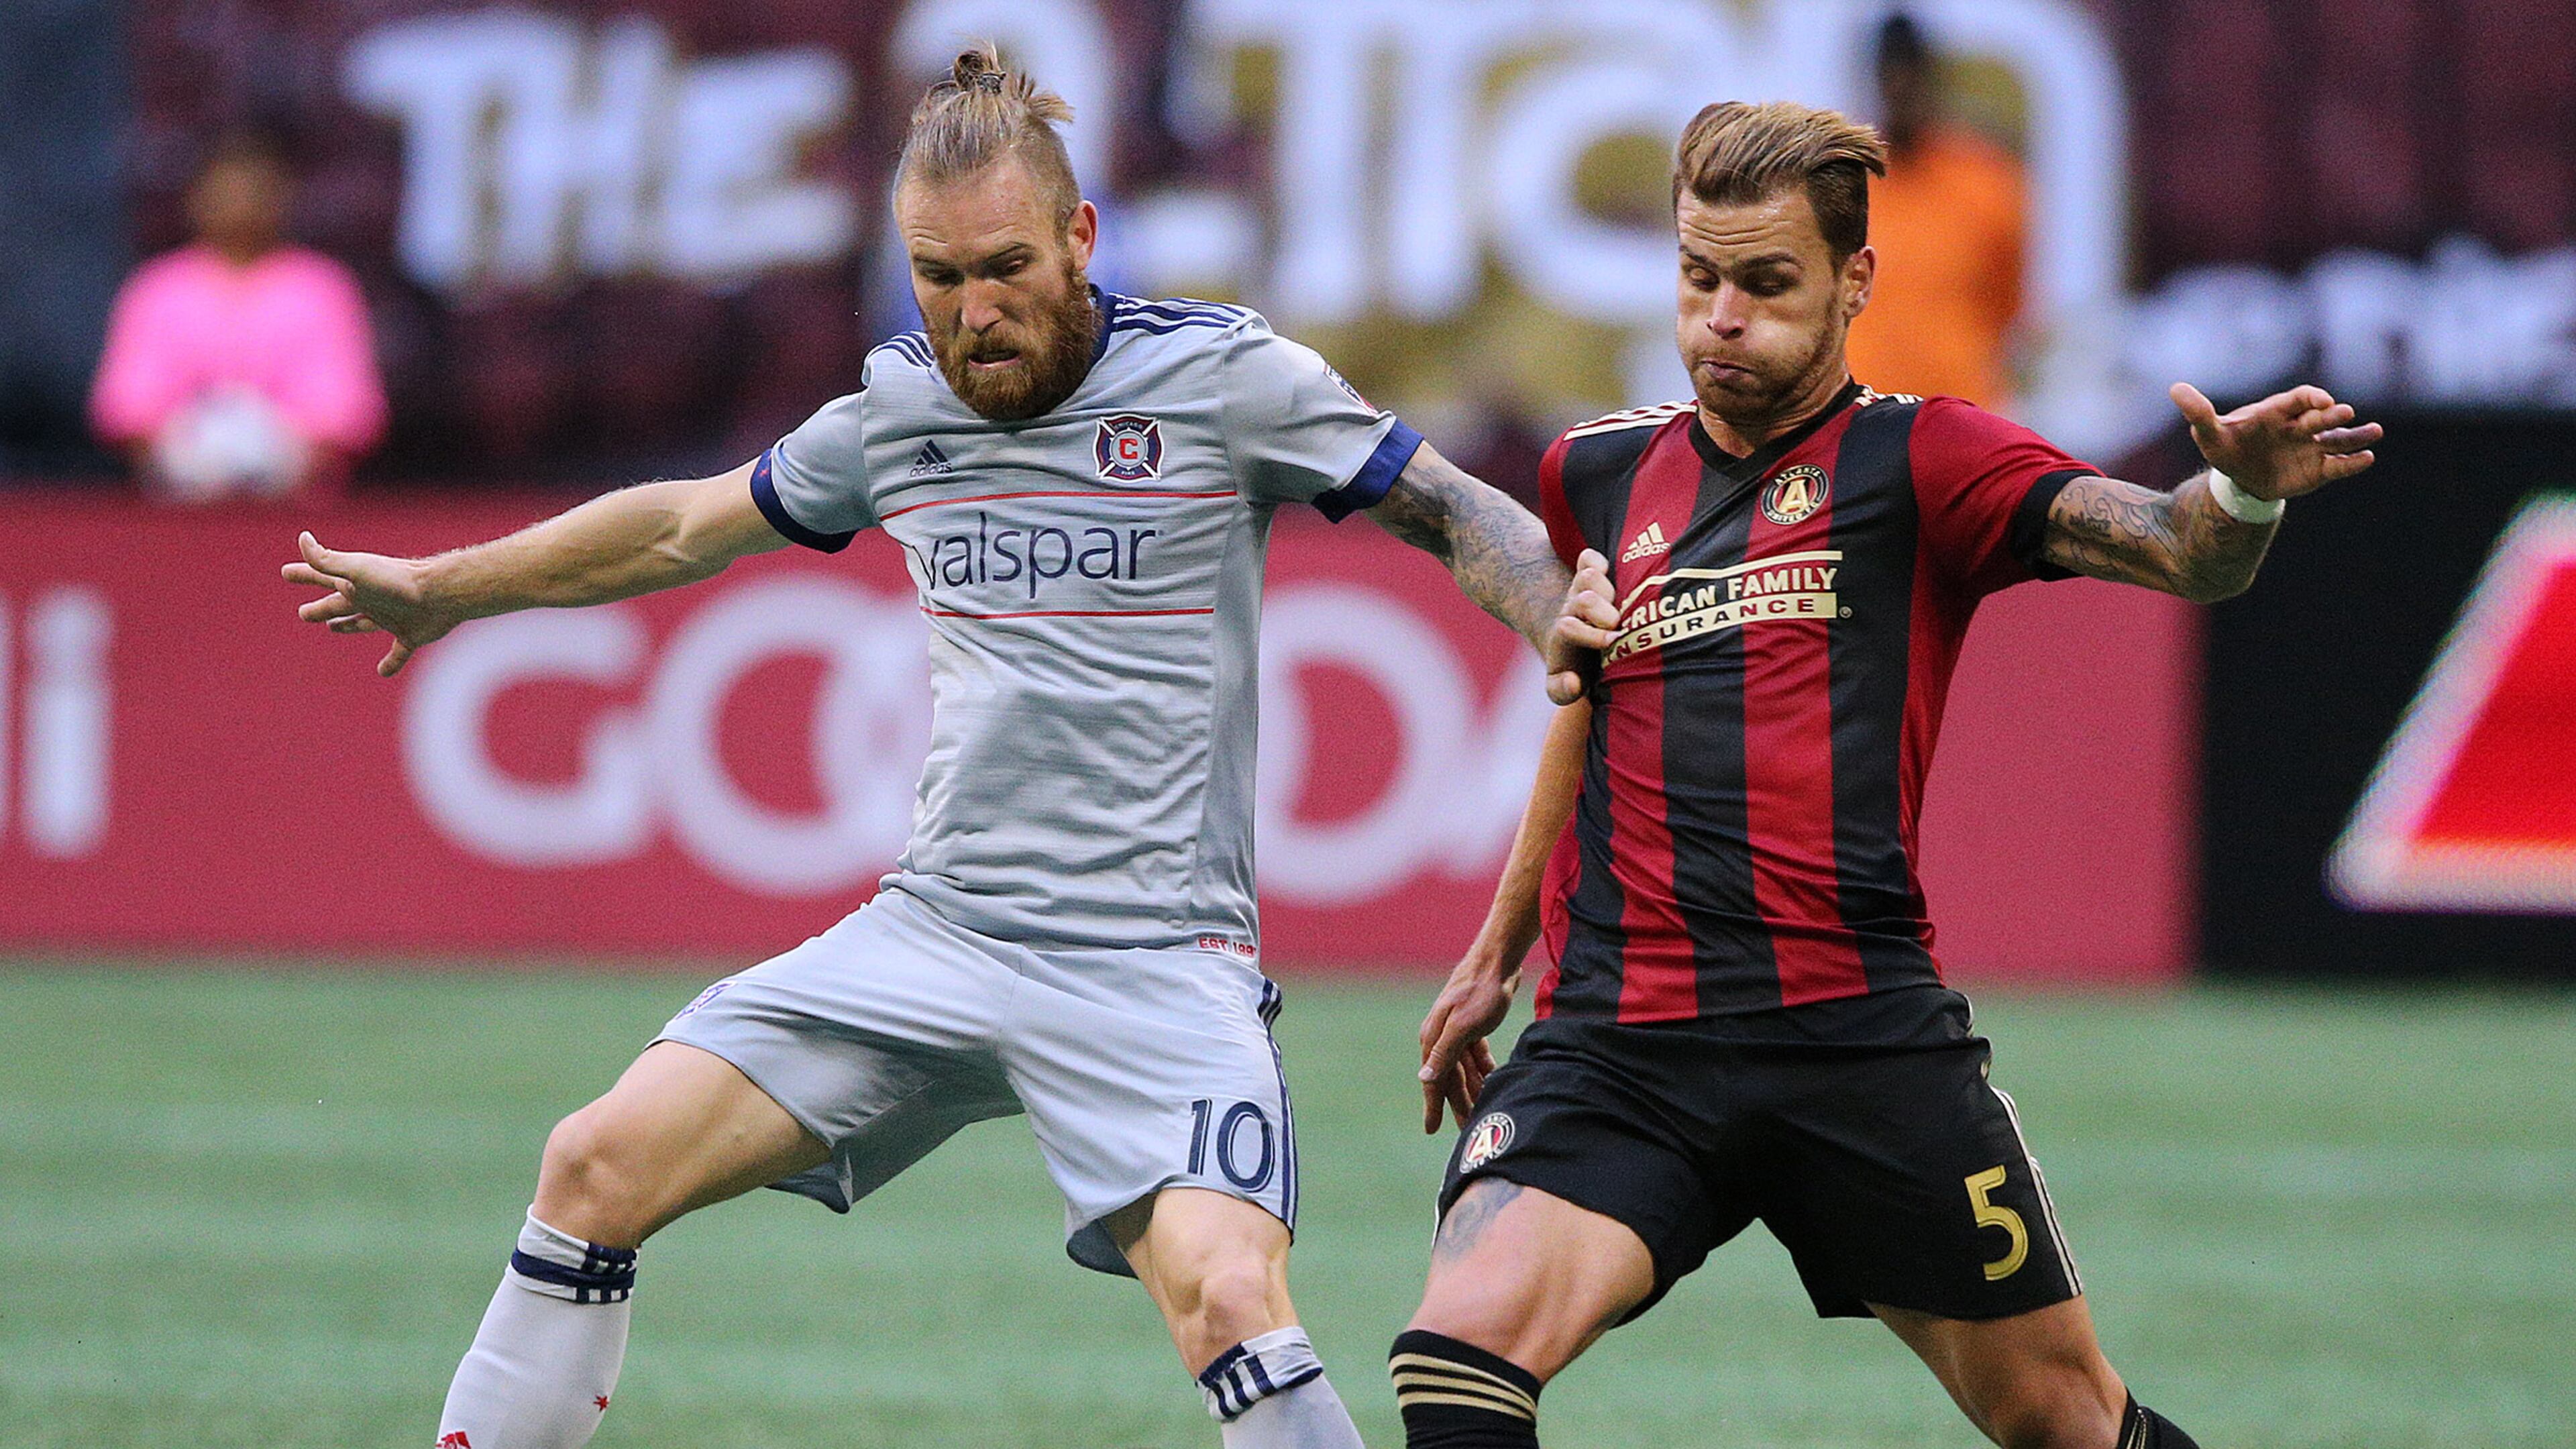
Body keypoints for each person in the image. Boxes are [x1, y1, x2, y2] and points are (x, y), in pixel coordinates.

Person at [284, 48, 1583, 1449]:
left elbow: (1458, 512)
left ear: (1083, 238)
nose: (977, 313)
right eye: (938, 276)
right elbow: (677, 527)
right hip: (940, 932)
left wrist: (1559, 608)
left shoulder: (1224, 381)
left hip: (1156, 966)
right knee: (593, 1163)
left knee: (1225, 1296)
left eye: (1007, 266)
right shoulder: (903, 412)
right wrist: (448, 589)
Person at [1390, 101, 2380, 1449]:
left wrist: (2244, 497)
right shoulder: (1600, 474)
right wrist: (1496, 948)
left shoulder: (1927, 457)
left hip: (1858, 1044)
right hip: (1624, 1043)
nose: (1724, 317)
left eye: (1766, 283)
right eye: (1700, 279)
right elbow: (1586, 697)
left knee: (2067, 1422)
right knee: (1454, 1361)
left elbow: (2172, 546)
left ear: (1857, 280)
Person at [91, 129, 387, 501]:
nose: (241, 205)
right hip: (175, 508)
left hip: (299, 510)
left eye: (255, 192)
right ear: (195, 199)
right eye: (227, 192)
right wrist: (191, 459)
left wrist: (275, 458)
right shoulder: (156, 288)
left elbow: (343, 415)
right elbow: (129, 411)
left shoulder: (322, 288)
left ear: (283, 199)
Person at [1841, 13, 2027, 412]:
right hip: (1863, 419)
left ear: (1932, 80)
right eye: (1891, 78)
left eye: (1911, 78)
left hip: (1962, 415)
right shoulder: (1847, 179)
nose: (1901, 92)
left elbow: (2009, 305)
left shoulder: (1986, 179)